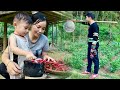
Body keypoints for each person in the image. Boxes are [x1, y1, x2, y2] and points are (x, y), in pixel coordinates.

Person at [0, 11, 54, 79]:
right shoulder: (20, 36)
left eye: (43, 29)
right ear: (31, 25)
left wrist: (46, 57)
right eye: (38, 27)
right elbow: (6, 54)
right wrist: (9, 63)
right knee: (2, 67)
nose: (40, 31)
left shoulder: (44, 39)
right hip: (20, 65)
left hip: (32, 67)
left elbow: (44, 54)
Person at [82, 12, 99, 79]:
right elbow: (83, 22)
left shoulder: (95, 25)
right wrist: (74, 21)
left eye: (86, 17)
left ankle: (95, 73)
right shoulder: (90, 24)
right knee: (89, 57)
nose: (85, 18)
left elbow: (95, 36)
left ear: (90, 17)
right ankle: (88, 70)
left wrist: (93, 47)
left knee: (94, 58)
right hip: (90, 44)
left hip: (93, 45)